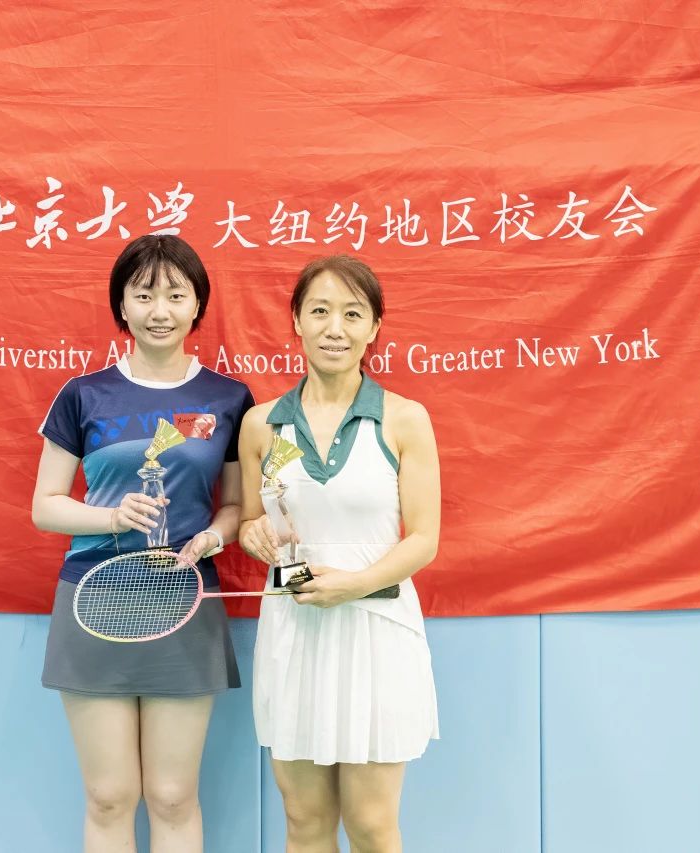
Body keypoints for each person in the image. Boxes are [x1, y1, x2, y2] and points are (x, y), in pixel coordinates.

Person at [32, 234, 254, 853]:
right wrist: (112, 517)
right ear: (122, 307)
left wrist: (214, 535)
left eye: (176, 296)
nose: (160, 311)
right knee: (109, 796)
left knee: (173, 795)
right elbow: (45, 507)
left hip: (184, 601)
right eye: (144, 295)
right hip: (93, 602)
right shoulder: (84, 395)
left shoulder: (229, 399)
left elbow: (236, 506)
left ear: (197, 305)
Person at [237, 255, 441, 853]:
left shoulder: (406, 419)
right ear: (296, 321)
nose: (335, 328)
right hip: (294, 632)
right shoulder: (259, 425)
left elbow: (423, 539)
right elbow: (250, 521)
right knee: (304, 821)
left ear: (374, 327)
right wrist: (252, 535)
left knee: (372, 825)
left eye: (352, 314)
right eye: (320, 311)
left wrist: (354, 584)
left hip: (376, 632)